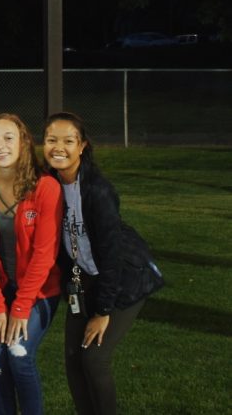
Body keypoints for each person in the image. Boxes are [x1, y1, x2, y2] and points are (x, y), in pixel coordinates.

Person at [43, 112, 164, 415]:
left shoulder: (98, 190)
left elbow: (110, 256)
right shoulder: (47, 184)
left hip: (124, 278)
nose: (59, 147)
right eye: (51, 140)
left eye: (68, 140)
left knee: (94, 359)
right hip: (83, 279)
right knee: (73, 359)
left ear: (82, 146)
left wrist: (102, 312)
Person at [0, 114, 62, 415]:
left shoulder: (45, 186)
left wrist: (19, 308)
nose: (0, 145)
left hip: (38, 290)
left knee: (18, 354)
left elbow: (45, 254)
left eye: (8, 138)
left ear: (23, 143)